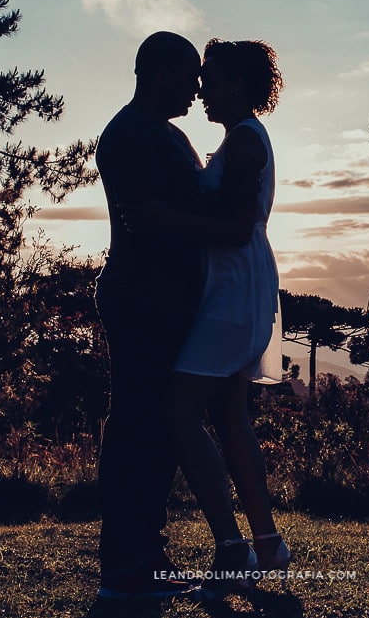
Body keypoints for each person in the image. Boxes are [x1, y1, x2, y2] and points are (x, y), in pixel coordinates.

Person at [129, 38, 291, 600]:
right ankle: (266, 544)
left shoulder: (245, 141)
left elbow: (234, 229)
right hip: (235, 284)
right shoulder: (238, 139)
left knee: (179, 409)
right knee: (229, 416)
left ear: (238, 85)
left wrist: (163, 217)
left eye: (212, 79)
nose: (202, 90)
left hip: (234, 289)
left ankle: (232, 547)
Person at [93, 31, 205, 599]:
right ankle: (127, 564)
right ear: (159, 73)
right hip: (143, 299)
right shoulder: (130, 136)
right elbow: (151, 221)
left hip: (162, 299)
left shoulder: (166, 133)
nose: (197, 86)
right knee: (139, 425)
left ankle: (146, 555)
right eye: (190, 75)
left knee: (158, 427)